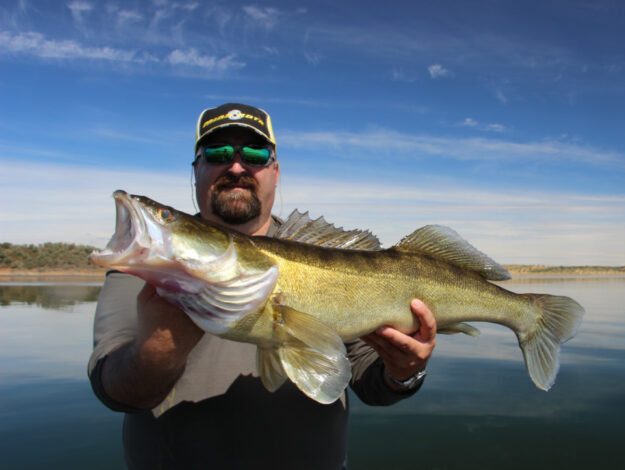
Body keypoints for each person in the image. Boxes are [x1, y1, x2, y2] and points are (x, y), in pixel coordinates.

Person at [88, 103, 437, 469]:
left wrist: (405, 372)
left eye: (254, 153)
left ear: (275, 170)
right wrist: (159, 348)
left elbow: (368, 380)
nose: (236, 166)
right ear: (197, 169)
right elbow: (113, 389)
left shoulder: (325, 257)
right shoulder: (145, 270)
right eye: (218, 152)